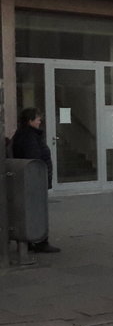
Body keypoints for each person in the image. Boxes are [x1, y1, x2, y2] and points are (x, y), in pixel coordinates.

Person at [10, 107, 59, 252]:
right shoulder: (29, 137)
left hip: (30, 179)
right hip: (34, 180)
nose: (40, 121)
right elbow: (34, 158)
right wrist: (40, 176)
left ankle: (31, 241)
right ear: (30, 121)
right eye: (37, 119)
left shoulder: (23, 134)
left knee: (30, 210)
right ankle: (39, 241)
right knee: (37, 210)